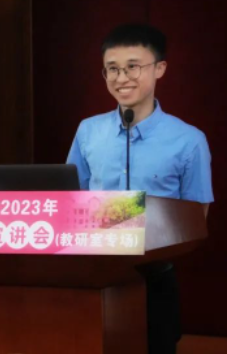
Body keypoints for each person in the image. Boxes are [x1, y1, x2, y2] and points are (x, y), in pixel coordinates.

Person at [67, 23, 213, 354]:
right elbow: (71, 199)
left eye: (133, 67)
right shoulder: (88, 131)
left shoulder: (188, 140)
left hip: (154, 276)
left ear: (160, 68)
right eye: (112, 69)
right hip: (94, 275)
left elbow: (195, 219)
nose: (122, 78)